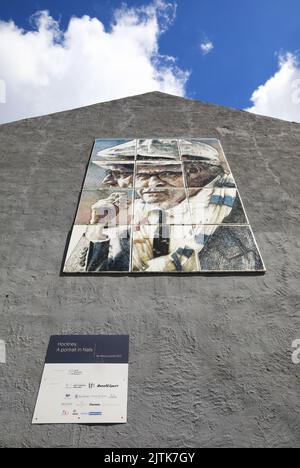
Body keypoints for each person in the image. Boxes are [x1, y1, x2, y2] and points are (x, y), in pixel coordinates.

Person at [64, 139, 264, 273]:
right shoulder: (145, 218)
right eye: (142, 175)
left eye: (166, 173)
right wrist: (96, 229)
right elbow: (98, 276)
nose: (152, 185)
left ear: (196, 172)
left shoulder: (235, 212)